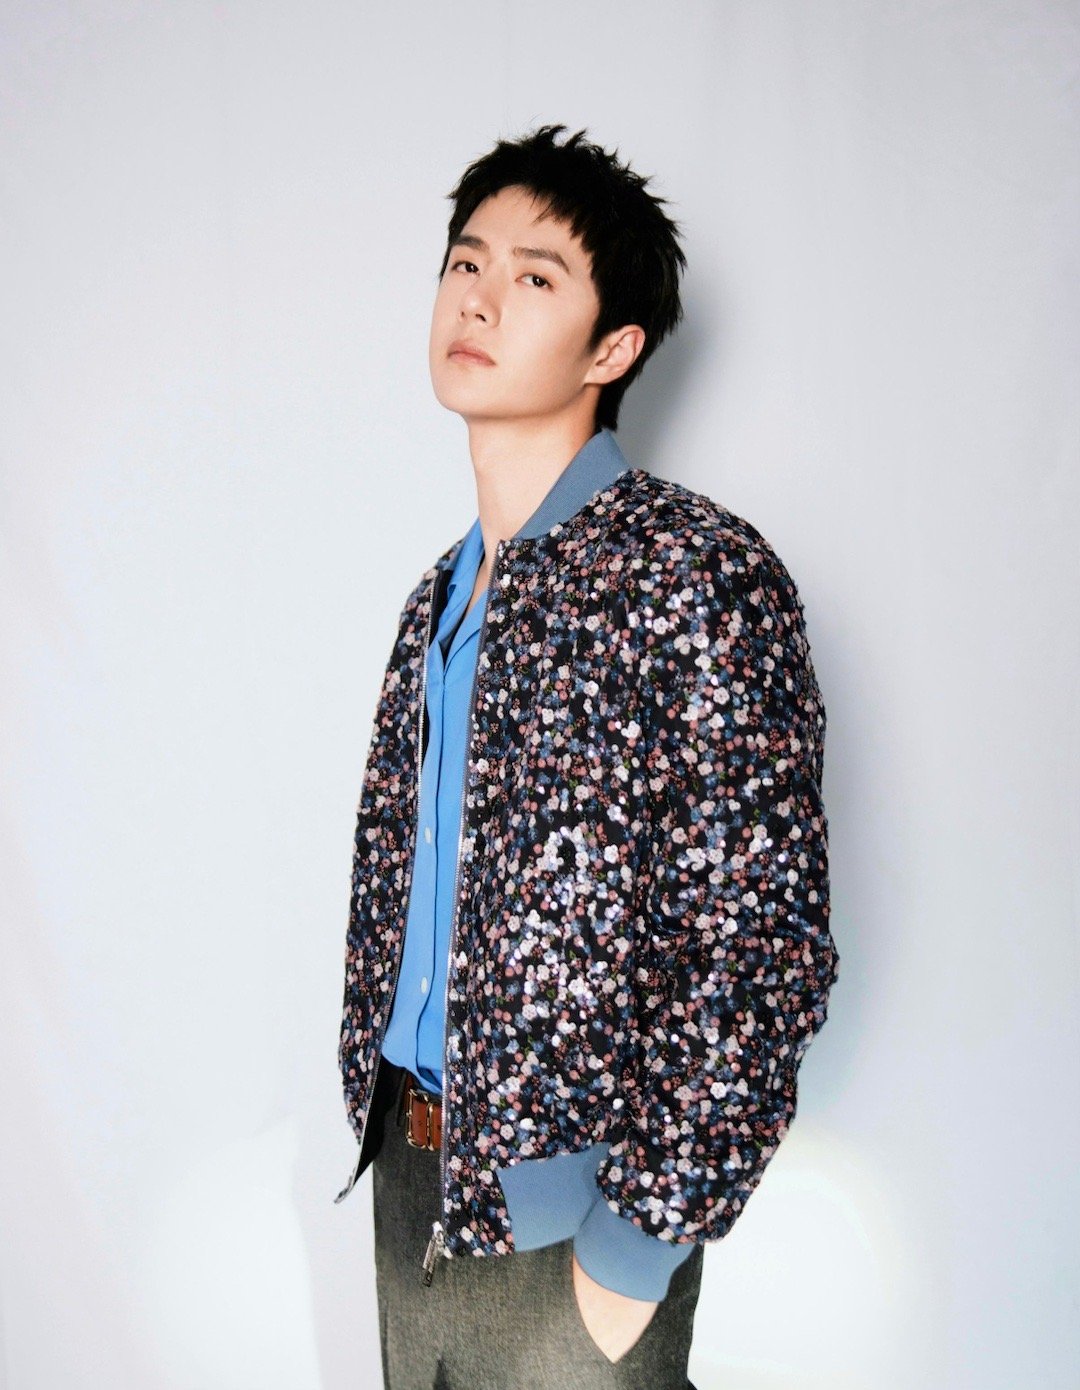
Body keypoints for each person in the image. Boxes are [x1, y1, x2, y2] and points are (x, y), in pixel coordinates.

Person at [336, 123, 840, 1390]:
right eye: (466, 262)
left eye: (536, 276)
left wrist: (636, 1248)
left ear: (614, 349)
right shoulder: (436, 597)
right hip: (411, 1172)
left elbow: (759, 945)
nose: (479, 298)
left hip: (578, 1223)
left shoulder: (696, 576)